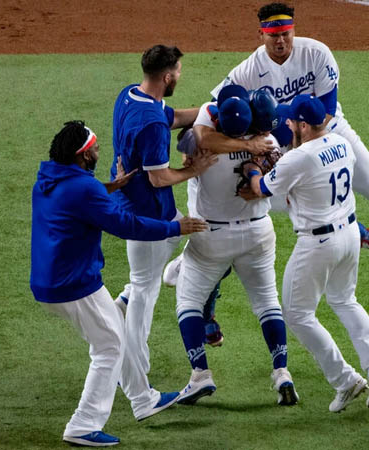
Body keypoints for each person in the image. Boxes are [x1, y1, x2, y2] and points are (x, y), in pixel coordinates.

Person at [211, 1, 369, 268]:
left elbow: (326, 112)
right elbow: (218, 109)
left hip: (331, 131)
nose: (281, 41)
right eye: (274, 36)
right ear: (261, 36)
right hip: (286, 142)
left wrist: (301, 146)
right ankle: (357, 232)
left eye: (286, 34)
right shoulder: (247, 71)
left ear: (293, 31)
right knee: (266, 197)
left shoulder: (316, 53)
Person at [30, 121, 208, 447]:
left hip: (49, 282)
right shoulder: (84, 190)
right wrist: (174, 229)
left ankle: (143, 399)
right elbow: (126, 225)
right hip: (74, 285)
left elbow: (77, 197)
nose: (100, 152)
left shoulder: (49, 179)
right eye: (95, 149)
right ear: (83, 156)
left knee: (114, 330)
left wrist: (109, 187)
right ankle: (83, 425)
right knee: (109, 346)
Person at [245, 94, 369, 412]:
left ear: (303, 125)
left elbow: (260, 189)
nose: (286, 126)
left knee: (297, 314)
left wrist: (252, 169)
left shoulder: (296, 159)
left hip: (318, 244)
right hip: (351, 235)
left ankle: (345, 380)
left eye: (290, 122)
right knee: (345, 301)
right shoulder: (343, 145)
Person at [173, 84, 299, 406]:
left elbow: (191, 139)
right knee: (267, 303)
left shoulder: (207, 144)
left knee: (187, 301)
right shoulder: (270, 144)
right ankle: (282, 372)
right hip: (258, 234)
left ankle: (200, 375)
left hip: (211, 236)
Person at [110, 44, 217, 421]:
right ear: (168, 76)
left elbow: (172, 117)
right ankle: (137, 384)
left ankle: (123, 300)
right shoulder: (151, 123)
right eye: (179, 73)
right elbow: (158, 177)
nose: (180, 77)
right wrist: (195, 171)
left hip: (139, 211)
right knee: (144, 295)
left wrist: (208, 113)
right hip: (149, 222)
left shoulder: (129, 95)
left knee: (147, 279)